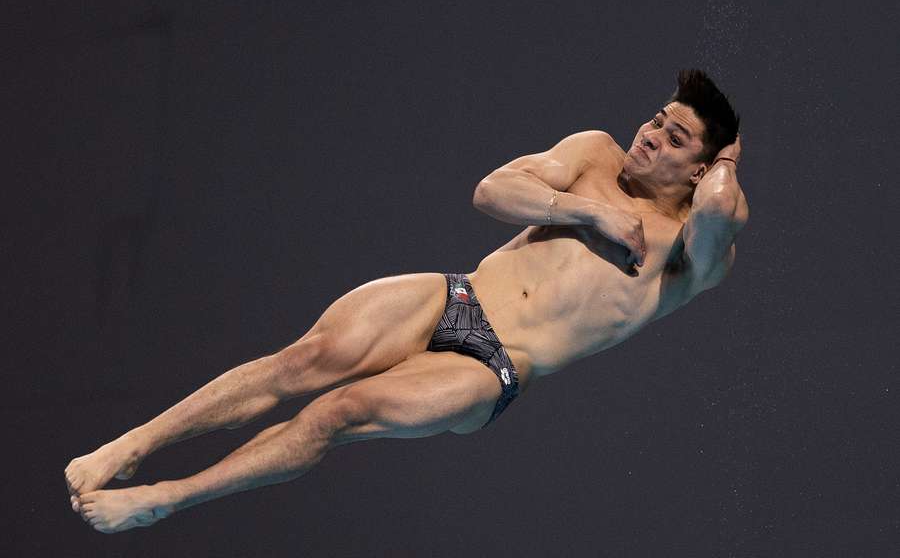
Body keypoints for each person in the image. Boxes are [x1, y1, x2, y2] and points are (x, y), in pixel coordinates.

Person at [65, 68, 748, 533]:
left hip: (492, 366)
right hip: (453, 294)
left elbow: (721, 209)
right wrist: (587, 213)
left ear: (700, 169)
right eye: (657, 119)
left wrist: (728, 164)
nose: (650, 135)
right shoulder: (594, 153)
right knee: (298, 362)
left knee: (338, 411)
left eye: (675, 139)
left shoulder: (686, 255)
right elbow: (492, 191)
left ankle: (164, 499)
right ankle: (130, 446)